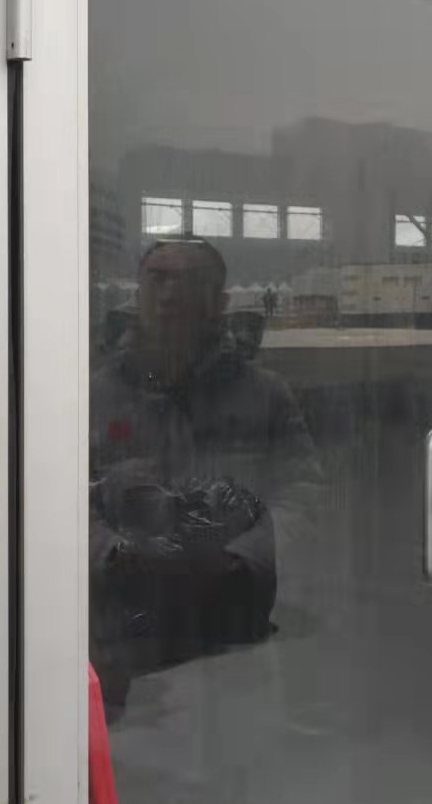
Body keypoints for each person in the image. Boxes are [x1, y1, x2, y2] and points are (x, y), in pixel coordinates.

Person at [88, 239, 321, 711]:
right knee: (141, 749)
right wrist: (117, 553)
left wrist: (242, 558)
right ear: (138, 292)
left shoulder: (265, 394)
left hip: (235, 627)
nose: (170, 294)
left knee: (242, 740)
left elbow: (304, 490)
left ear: (220, 300)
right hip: (128, 633)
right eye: (158, 278)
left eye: (190, 280)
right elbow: (56, 496)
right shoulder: (96, 395)